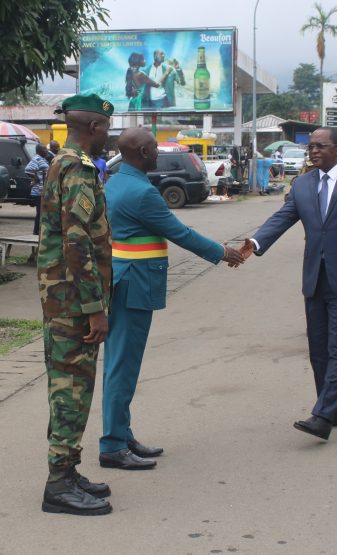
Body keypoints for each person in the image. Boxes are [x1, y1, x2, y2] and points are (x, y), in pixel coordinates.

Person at [99, 127, 244, 470]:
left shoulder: (116, 182)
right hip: (134, 284)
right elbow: (180, 233)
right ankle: (113, 445)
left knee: (118, 363)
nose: (157, 153)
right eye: (154, 148)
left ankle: (121, 434)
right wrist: (222, 252)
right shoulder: (142, 192)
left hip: (123, 280)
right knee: (123, 366)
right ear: (143, 153)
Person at [238, 127, 337, 441]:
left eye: (320, 146)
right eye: (311, 147)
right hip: (315, 277)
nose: (314, 151)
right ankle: (336, 409)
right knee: (318, 349)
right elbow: (283, 217)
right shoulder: (304, 184)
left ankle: (322, 416)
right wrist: (254, 243)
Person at [37, 93, 114, 516]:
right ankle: (59, 484)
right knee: (71, 388)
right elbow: (77, 240)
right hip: (72, 302)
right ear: (94, 127)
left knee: (68, 385)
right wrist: (94, 308)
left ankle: (67, 470)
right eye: (106, 129)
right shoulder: (78, 167)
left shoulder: (61, 162)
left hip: (61, 297)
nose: (108, 136)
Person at [24, 143, 49, 236]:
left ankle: (39, 231)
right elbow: (28, 169)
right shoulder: (37, 159)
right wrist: (35, 178)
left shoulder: (43, 159)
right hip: (38, 191)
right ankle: (36, 232)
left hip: (43, 190)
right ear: (39, 151)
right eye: (44, 149)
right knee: (40, 212)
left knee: (42, 212)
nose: (46, 151)